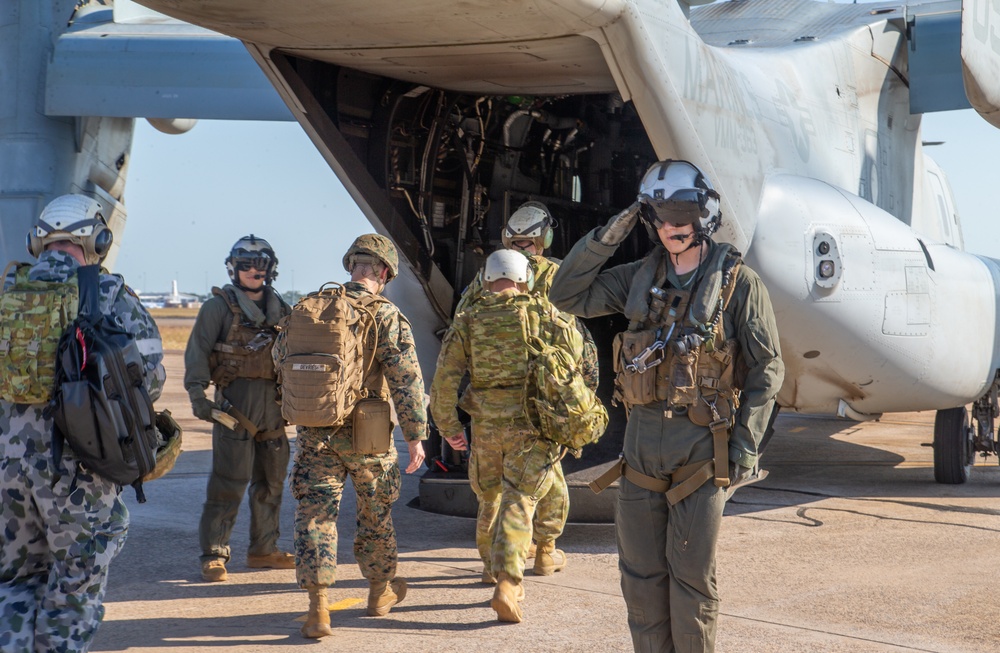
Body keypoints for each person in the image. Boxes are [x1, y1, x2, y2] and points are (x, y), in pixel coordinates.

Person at [548, 160, 784, 652]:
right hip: (640, 456)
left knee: (692, 580)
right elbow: (566, 293)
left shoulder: (739, 285)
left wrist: (746, 446)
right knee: (639, 579)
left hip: (703, 452)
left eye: (681, 214)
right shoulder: (639, 277)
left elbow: (768, 370)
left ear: (704, 217)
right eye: (659, 216)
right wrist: (608, 235)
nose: (670, 226)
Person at [0, 194, 165, 651]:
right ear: (98, 239)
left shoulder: (10, 290)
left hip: (7, 471)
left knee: (13, 581)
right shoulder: (108, 293)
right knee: (75, 585)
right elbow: (149, 377)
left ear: (39, 240)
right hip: (76, 470)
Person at [431, 248, 587, 623]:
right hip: (530, 425)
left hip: (485, 425)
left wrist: (449, 428)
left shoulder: (467, 319)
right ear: (525, 279)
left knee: (489, 497)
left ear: (486, 279)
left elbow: (444, 382)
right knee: (521, 499)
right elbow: (575, 358)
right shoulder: (544, 314)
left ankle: (489, 566)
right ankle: (508, 580)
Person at [285, 234, 427, 639]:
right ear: (384, 272)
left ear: (353, 267)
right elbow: (407, 380)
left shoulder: (310, 307)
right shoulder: (386, 315)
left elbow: (283, 359)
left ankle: (318, 608)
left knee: (314, 516)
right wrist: (416, 436)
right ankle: (379, 592)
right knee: (376, 514)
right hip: (370, 434)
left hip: (316, 432)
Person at [454, 202, 599, 579]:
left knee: (493, 489)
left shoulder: (487, 275)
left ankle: (494, 564)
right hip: (545, 396)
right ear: (546, 237)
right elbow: (576, 338)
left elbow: (461, 326)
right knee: (547, 473)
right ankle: (545, 550)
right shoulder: (555, 273)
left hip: (490, 401)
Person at [184, 235, 293, 582]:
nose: (252, 271)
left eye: (259, 264)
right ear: (233, 267)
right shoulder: (217, 308)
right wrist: (198, 394)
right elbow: (198, 351)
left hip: (274, 409)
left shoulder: (283, 311)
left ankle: (264, 549)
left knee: (272, 484)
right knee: (228, 483)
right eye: (245, 264)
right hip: (235, 407)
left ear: (270, 269)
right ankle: (214, 553)